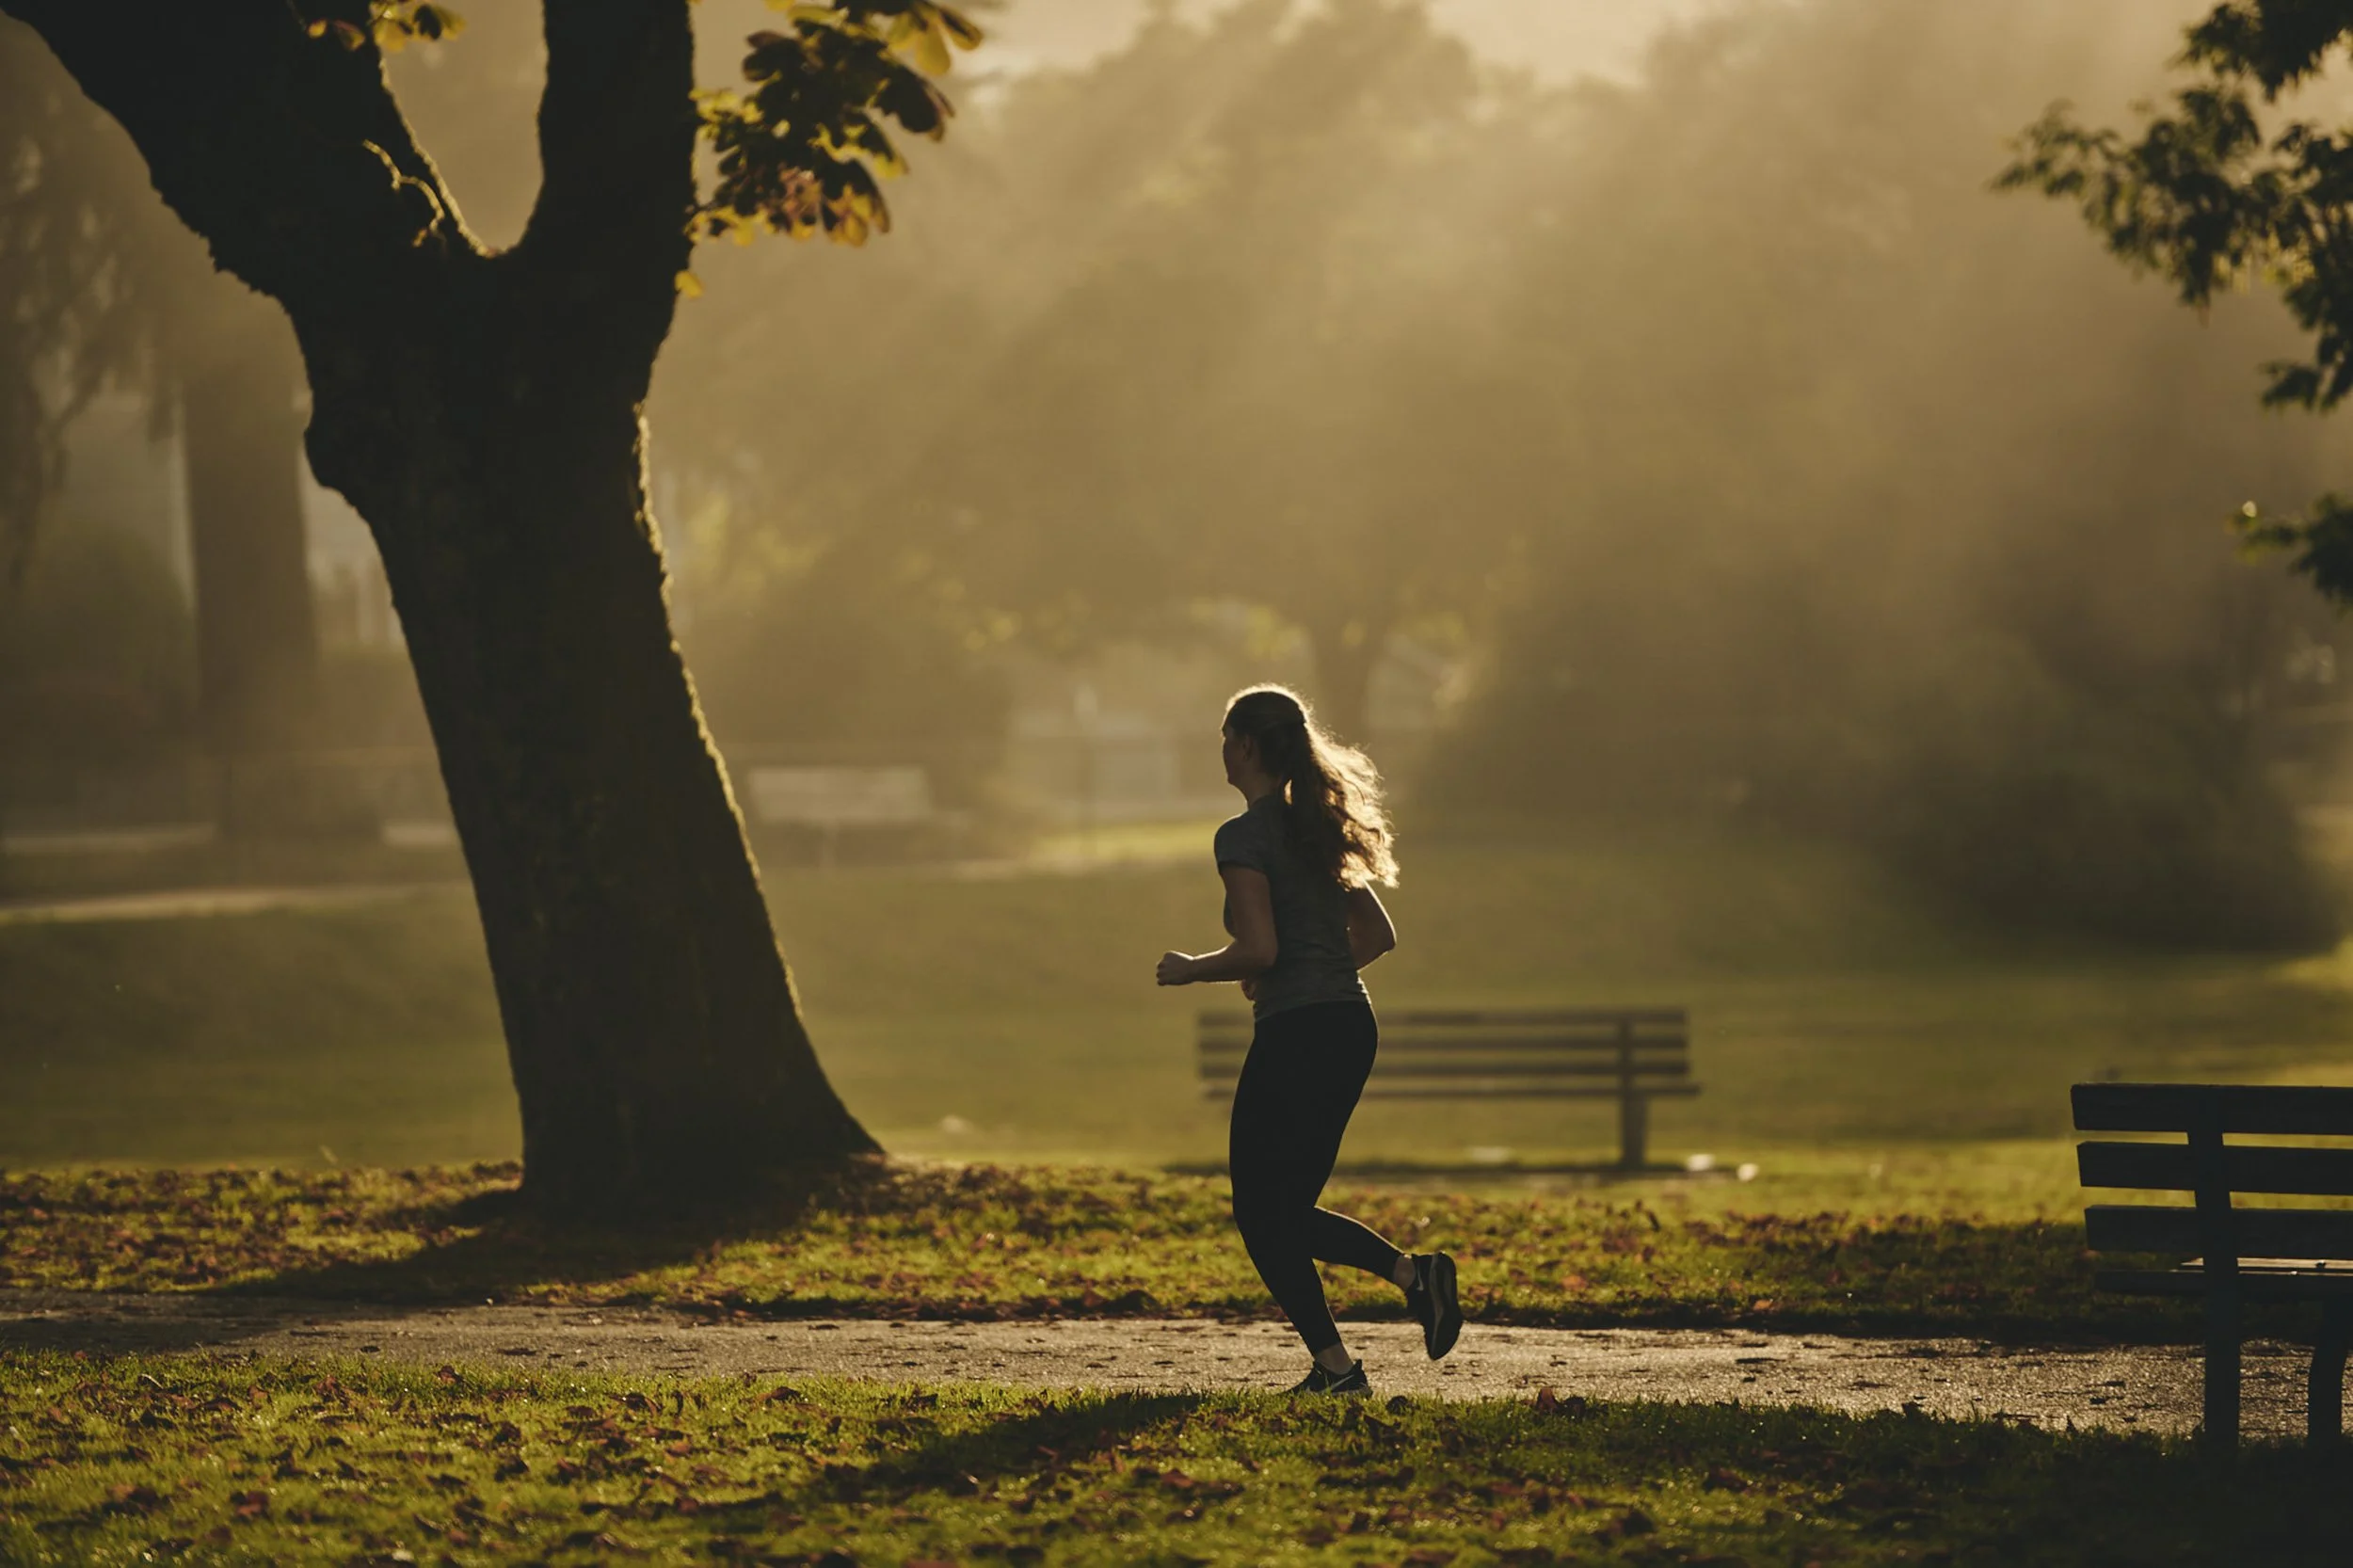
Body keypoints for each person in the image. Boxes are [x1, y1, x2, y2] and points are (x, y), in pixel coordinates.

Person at [1155, 684, 1461, 1395]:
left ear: (1247, 746)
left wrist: (1192, 968)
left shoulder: (1243, 837)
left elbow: (1259, 949)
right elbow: (1377, 936)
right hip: (1349, 1027)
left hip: (1297, 1034)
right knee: (1280, 1211)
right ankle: (1410, 1282)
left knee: (1261, 1211)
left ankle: (1344, 1361)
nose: (1223, 751)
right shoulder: (1316, 826)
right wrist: (1313, 972)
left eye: (1227, 738)